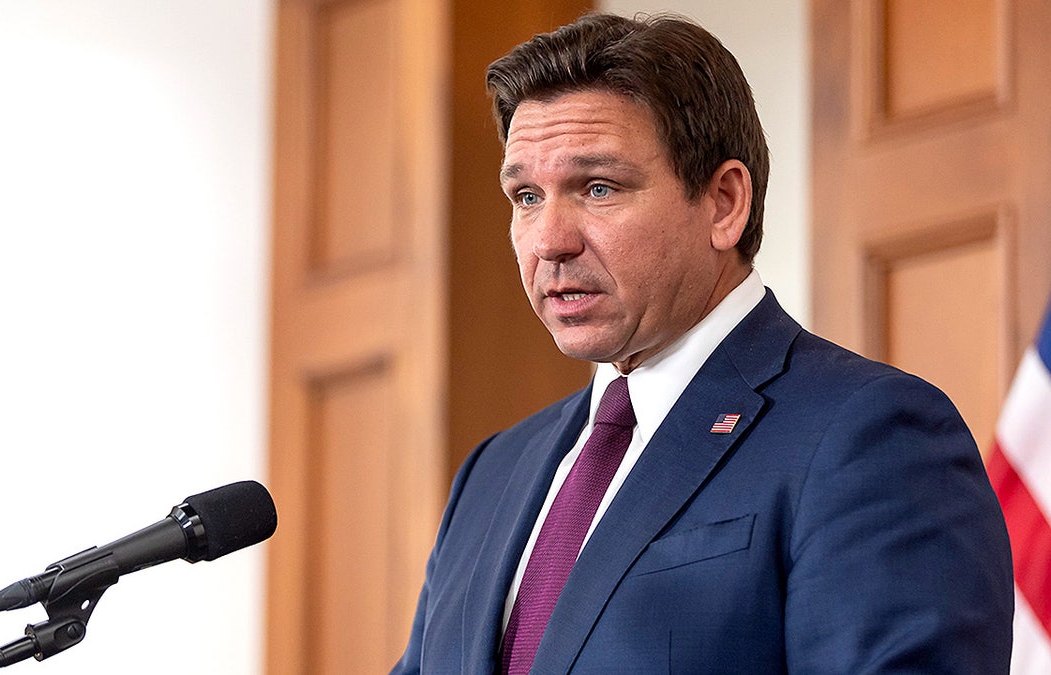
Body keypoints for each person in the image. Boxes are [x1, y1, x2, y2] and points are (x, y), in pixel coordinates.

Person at [392, 12, 1013, 674]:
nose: (549, 240)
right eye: (525, 196)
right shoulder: (492, 472)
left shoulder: (871, 436)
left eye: (598, 187)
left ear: (724, 203)